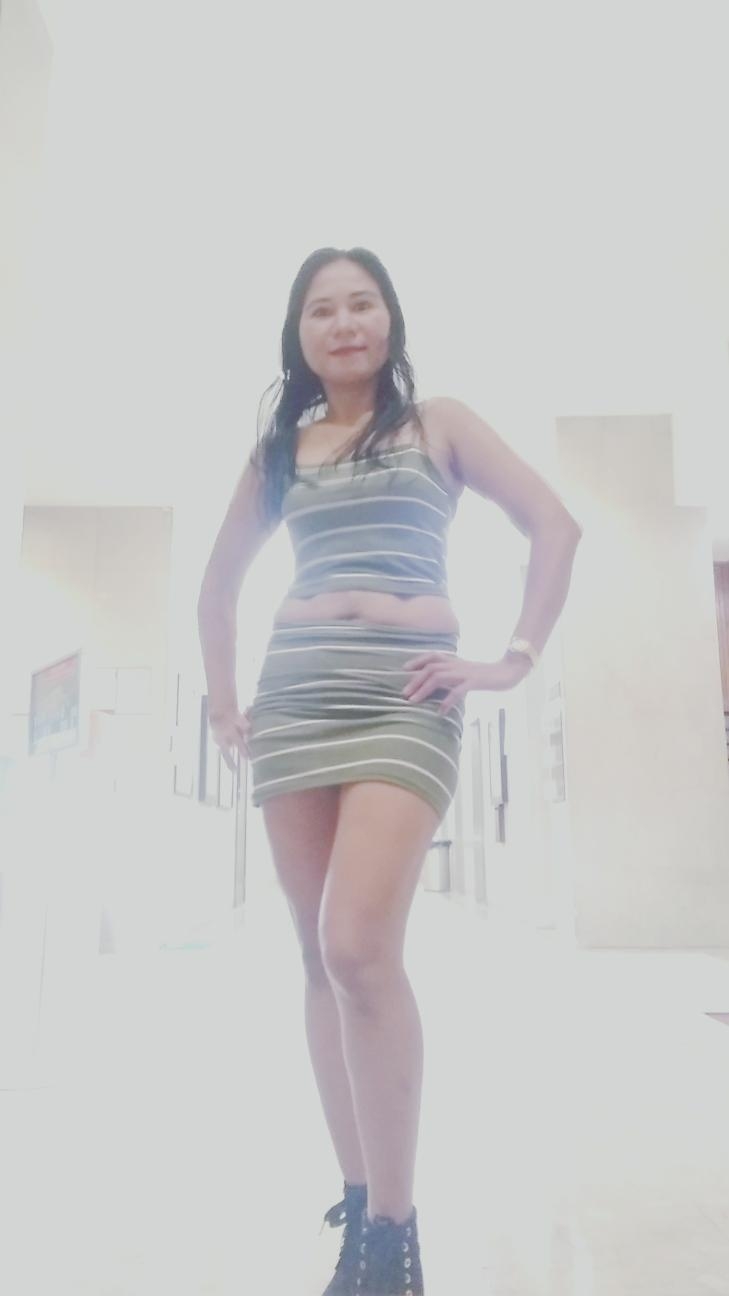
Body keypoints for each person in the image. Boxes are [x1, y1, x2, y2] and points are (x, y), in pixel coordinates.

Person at [197, 246, 582, 1295]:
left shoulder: (439, 424)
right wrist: (225, 702)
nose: (344, 322)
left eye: (361, 303)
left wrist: (514, 657)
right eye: (321, 309)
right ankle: (360, 1203)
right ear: (299, 334)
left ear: (391, 319)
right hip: (296, 695)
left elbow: (556, 525)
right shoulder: (280, 449)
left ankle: (395, 1232)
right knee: (316, 960)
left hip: (405, 695)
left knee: (357, 945)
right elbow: (219, 583)